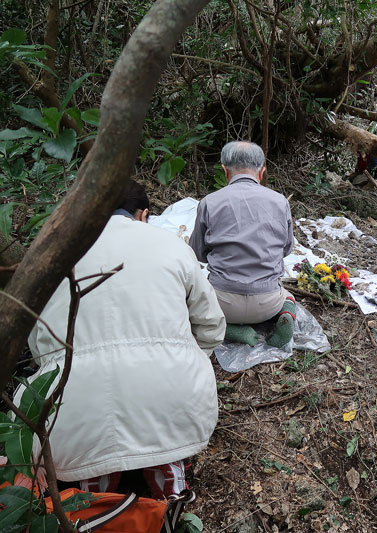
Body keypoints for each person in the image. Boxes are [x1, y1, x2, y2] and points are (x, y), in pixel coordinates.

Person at [17, 180, 225, 497]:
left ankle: (95, 496)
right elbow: (212, 326)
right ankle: (167, 483)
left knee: (85, 451)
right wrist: (186, 361)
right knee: (161, 423)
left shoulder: (55, 253)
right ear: (142, 215)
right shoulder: (171, 246)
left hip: (72, 412)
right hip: (173, 400)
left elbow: (37, 345)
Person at [190, 141, 296, 348]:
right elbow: (286, 249)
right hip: (268, 303)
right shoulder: (280, 201)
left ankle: (228, 329)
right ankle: (284, 315)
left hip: (221, 304)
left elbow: (198, 254)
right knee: (288, 296)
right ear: (262, 171)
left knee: (191, 303)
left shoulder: (210, 202)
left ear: (224, 170)